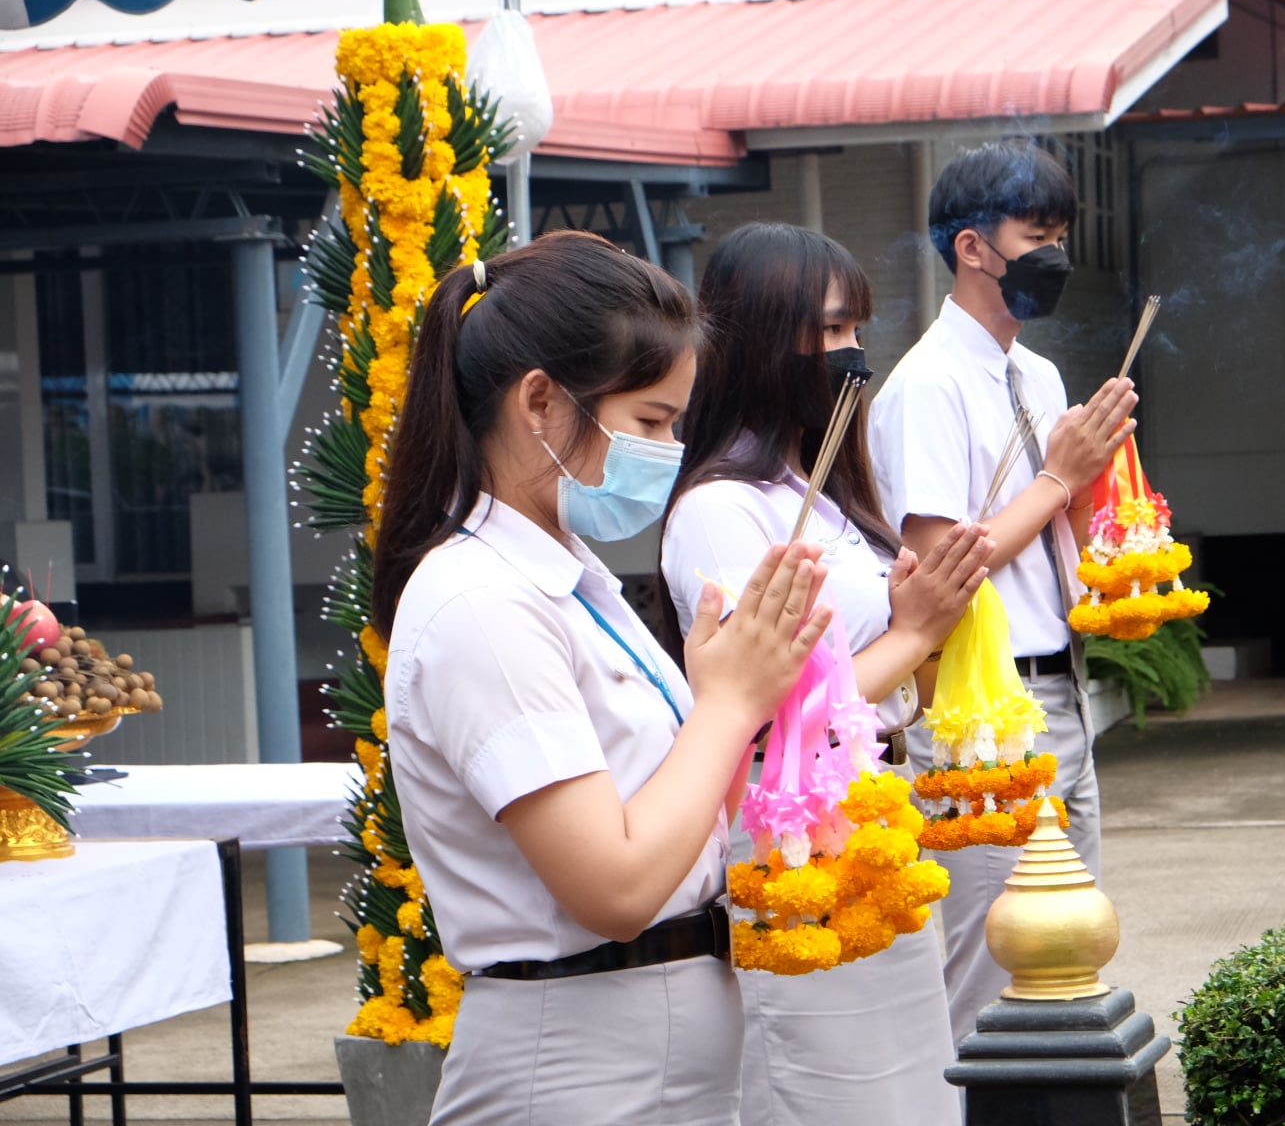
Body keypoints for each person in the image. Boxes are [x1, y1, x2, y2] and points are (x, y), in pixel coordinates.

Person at [372, 230, 835, 1125]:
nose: (667, 450)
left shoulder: (566, 576)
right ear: (539, 401)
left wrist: (728, 702)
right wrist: (729, 708)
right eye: (651, 422)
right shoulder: (482, 604)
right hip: (578, 1068)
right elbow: (613, 890)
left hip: (645, 1061)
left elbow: (673, 822)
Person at [659, 222, 993, 1125]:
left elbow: (887, 690)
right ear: (764, 341)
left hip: (873, 820)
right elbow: (764, 709)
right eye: (831, 331)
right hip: (789, 837)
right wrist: (917, 631)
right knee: (827, 1093)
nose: (852, 355)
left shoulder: (830, 495)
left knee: (918, 1090)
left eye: (857, 329)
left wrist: (928, 633)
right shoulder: (720, 510)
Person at [868, 141, 1139, 1047]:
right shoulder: (926, 387)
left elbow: (1049, 526)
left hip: (1060, 684)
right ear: (973, 248)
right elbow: (945, 565)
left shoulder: (1039, 374)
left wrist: (1103, 491)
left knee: (1069, 944)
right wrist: (1061, 478)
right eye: (1038, 235)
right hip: (983, 709)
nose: (1054, 256)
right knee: (992, 965)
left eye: (1062, 234)